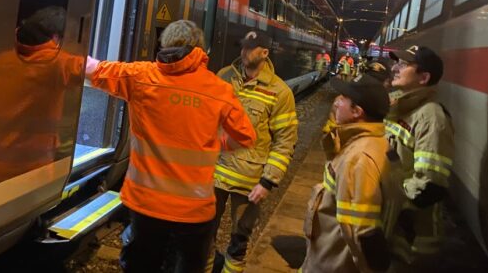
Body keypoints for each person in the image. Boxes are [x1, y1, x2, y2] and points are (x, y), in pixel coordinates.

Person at [85, 20, 256, 273]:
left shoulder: (140, 77)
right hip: (194, 211)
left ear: (164, 45)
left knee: (142, 265)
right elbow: (246, 136)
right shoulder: (219, 90)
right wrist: (215, 143)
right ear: (200, 49)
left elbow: (93, 69)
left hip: (147, 204)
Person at [208, 30, 298, 273]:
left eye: (251, 48)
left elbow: (284, 142)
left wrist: (268, 182)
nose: (244, 52)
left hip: (248, 183)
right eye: (243, 47)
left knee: (238, 242)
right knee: (204, 235)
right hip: (212, 174)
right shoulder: (224, 76)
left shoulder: (279, 92)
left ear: (265, 52)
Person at [0, 7, 82, 183]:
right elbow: (93, 71)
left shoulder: (0, 60)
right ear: (56, 38)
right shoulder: (53, 63)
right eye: (70, 39)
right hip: (22, 173)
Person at [301, 74, 402, 273]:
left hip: (333, 265)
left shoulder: (358, 158)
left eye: (343, 99)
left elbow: (362, 232)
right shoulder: (377, 144)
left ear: (357, 111)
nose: (336, 102)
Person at [386, 45, 454, 268]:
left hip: (413, 239)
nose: (395, 67)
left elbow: (430, 185)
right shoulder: (401, 109)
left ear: (423, 78)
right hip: (393, 228)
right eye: (396, 62)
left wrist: (388, 202)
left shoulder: (431, 118)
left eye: (404, 65)